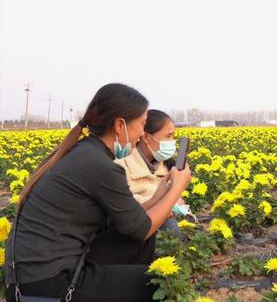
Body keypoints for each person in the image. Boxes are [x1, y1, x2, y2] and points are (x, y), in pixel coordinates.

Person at [4, 83, 191, 301]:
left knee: (140, 244)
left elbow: (131, 221)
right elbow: (141, 228)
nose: (142, 134)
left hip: (37, 273)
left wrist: (160, 195)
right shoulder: (101, 166)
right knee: (157, 283)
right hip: (47, 284)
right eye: (141, 125)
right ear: (120, 125)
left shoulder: (86, 152)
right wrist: (177, 187)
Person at [114, 109, 187, 233]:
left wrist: (176, 201)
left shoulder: (167, 165)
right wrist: (163, 204)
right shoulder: (121, 164)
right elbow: (124, 204)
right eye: (168, 136)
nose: (172, 142)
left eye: (173, 136)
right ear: (146, 137)